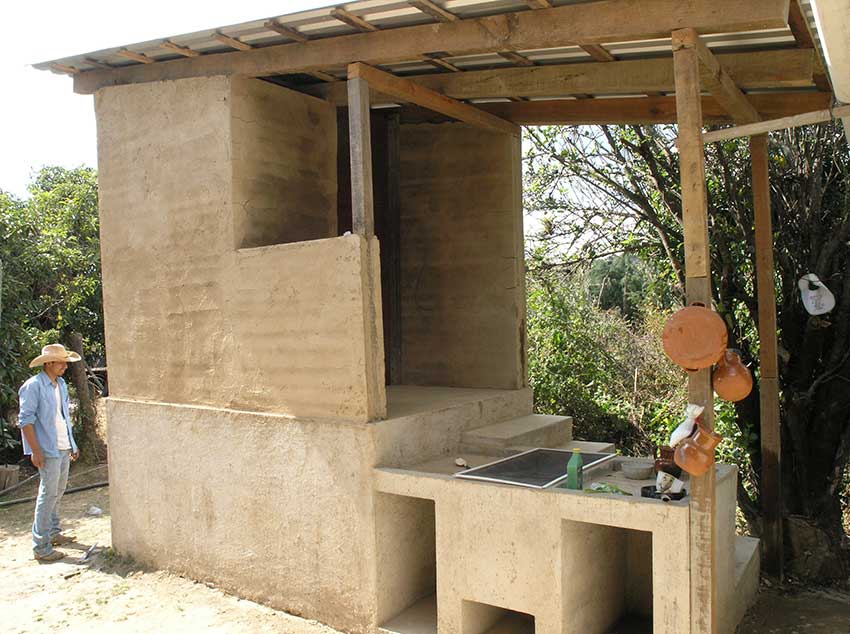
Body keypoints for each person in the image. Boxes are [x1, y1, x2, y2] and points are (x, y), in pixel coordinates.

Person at [18, 343, 82, 561]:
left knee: (59, 490)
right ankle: (41, 546)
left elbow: (63, 417)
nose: (65, 366)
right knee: (48, 494)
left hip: (63, 446)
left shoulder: (61, 384)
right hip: (47, 449)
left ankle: (53, 533)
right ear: (49, 363)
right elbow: (25, 421)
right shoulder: (33, 386)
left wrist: (72, 444)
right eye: (61, 362)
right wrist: (36, 450)